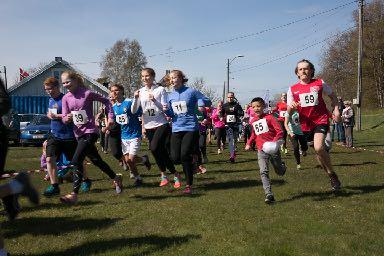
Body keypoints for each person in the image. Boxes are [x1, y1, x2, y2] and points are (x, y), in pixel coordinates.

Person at [60, 70, 123, 204]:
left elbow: (107, 101)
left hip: (90, 132)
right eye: (63, 83)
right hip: (78, 133)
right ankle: (116, 178)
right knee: (96, 160)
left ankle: (74, 195)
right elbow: (64, 117)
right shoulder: (66, 98)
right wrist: (68, 118)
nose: (65, 85)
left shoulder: (87, 93)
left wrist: (111, 117)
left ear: (75, 81)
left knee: (76, 161)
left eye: (68, 82)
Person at [287, 59, 342, 191]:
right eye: (300, 69)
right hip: (305, 124)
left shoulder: (319, 83)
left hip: (320, 119)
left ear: (311, 70)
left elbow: (333, 97)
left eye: (306, 68)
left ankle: (332, 175)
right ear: (297, 73)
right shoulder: (292, 89)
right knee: (319, 154)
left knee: (318, 148)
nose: (303, 71)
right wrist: (292, 107)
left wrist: (336, 109)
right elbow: (289, 111)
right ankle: (330, 174)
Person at [42, 77, 92, 197]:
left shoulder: (67, 98)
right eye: (46, 89)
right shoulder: (51, 100)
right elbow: (51, 114)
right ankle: (54, 186)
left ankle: (86, 180)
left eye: (50, 89)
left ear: (57, 87)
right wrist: (50, 116)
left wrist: (57, 116)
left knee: (76, 161)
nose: (48, 91)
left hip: (69, 136)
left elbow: (73, 115)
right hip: (55, 135)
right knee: (49, 159)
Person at [131, 68, 181, 188]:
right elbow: (133, 111)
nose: (144, 78)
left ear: (153, 76)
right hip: (148, 126)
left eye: (147, 76)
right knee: (159, 151)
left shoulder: (160, 90)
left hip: (161, 124)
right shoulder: (140, 92)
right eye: (142, 76)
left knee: (154, 148)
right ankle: (171, 174)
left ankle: (167, 174)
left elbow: (164, 108)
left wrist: (154, 100)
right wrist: (135, 98)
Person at [164, 70, 211, 194]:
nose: (172, 80)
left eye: (174, 77)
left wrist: (200, 104)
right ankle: (194, 160)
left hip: (190, 128)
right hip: (176, 128)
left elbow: (206, 100)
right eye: (170, 79)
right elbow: (170, 114)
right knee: (174, 158)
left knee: (184, 155)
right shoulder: (170, 96)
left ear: (181, 78)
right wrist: (166, 111)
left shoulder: (191, 91)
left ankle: (188, 184)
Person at [245, 97, 286, 203]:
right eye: (253, 107)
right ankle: (269, 194)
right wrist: (249, 143)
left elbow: (279, 131)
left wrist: (274, 141)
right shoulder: (253, 120)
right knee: (263, 171)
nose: (256, 108)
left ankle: (282, 166)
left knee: (279, 172)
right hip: (261, 149)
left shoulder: (270, 118)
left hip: (273, 148)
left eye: (258, 106)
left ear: (263, 106)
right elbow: (254, 134)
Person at [110, 83, 151, 187]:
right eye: (112, 91)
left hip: (135, 134)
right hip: (124, 136)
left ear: (122, 91)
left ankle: (138, 178)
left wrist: (143, 127)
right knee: (128, 161)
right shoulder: (114, 107)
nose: (114, 93)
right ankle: (143, 161)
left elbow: (138, 112)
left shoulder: (129, 102)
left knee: (131, 160)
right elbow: (117, 121)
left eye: (116, 90)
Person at [222, 92, 244, 162]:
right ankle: (232, 156)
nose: (230, 98)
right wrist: (221, 118)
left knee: (234, 140)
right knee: (230, 140)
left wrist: (238, 114)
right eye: (228, 97)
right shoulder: (224, 105)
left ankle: (233, 152)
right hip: (228, 125)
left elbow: (241, 113)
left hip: (236, 124)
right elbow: (221, 114)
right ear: (227, 98)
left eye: (231, 97)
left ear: (233, 97)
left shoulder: (237, 105)